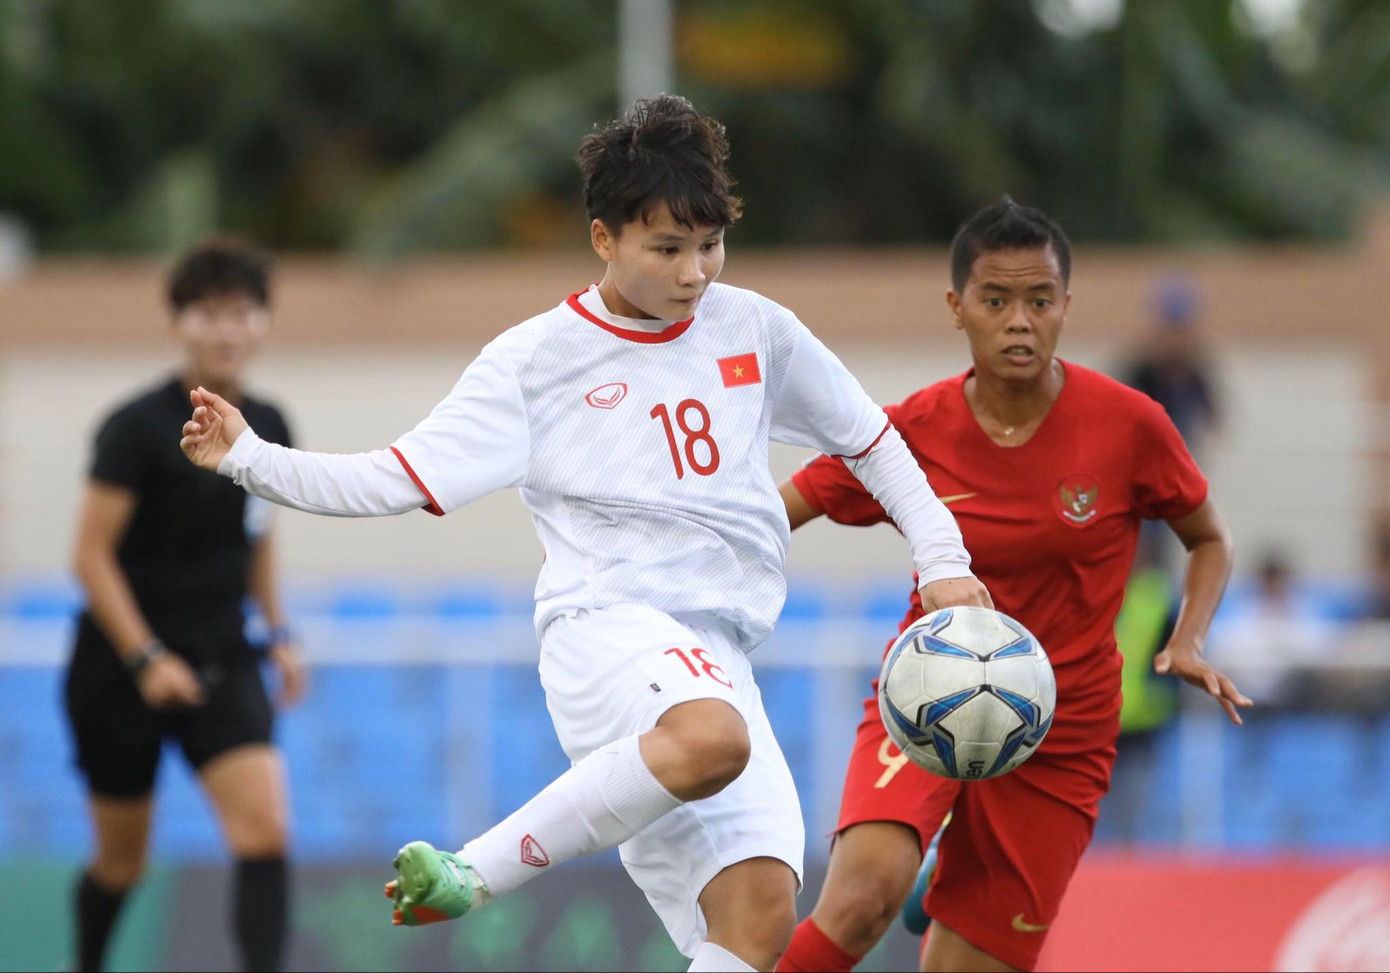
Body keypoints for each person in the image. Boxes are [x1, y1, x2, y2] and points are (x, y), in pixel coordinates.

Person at [176, 95, 989, 973]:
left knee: (757, 918)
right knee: (715, 738)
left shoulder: (757, 328)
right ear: (604, 238)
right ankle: (473, 870)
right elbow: (394, 476)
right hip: (608, 629)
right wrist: (248, 457)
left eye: (710, 245)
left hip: (721, 654)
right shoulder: (535, 362)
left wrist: (942, 557)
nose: (695, 273)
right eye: (667, 249)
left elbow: (872, 440)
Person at [774, 198, 1248, 973]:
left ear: (1066, 305)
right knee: (864, 898)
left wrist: (1188, 637)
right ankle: (932, 861)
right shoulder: (913, 433)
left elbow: (1209, 538)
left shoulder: (1130, 424)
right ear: (958, 309)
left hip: (1063, 729)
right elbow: (783, 508)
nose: (1019, 320)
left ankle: (960, 871)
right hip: (928, 694)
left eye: (1038, 300)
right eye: (996, 300)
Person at [66, 239, 305, 972]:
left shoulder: (267, 420)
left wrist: (280, 630)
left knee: (264, 829)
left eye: (243, 312)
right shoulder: (135, 426)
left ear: (263, 322)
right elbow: (90, 555)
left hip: (222, 655)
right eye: (210, 313)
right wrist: (145, 657)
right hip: (121, 666)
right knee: (121, 860)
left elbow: (257, 535)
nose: (228, 329)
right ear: (179, 322)